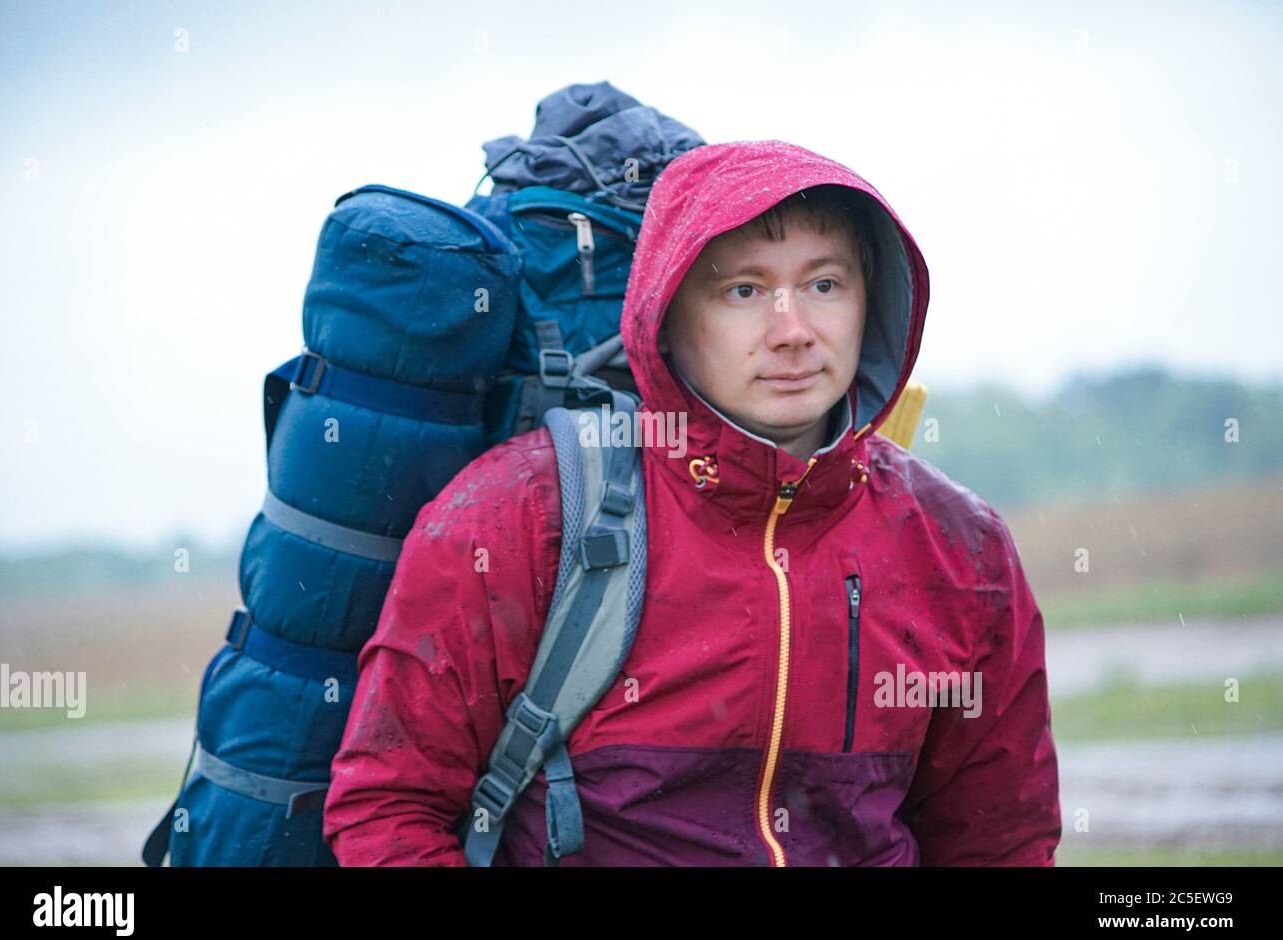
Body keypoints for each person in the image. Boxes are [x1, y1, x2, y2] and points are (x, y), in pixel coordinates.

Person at [321, 139, 1062, 866]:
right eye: (744, 291)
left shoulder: (961, 547)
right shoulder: (520, 513)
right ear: (665, 320)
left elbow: (1002, 842)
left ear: (873, 298)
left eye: (824, 284)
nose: (794, 331)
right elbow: (388, 809)